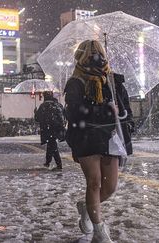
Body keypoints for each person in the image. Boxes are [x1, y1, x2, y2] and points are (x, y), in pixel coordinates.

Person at [64, 40, 118, 243]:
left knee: (110, 187)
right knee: (94, 183)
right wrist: (103, 109)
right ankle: (99, 232)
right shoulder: (75, 82)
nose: (95, 55)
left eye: (99, 51)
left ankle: (87, 207)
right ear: (81, 56)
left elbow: (123, 109)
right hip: (85, 137)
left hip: (108, 137)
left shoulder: (111, 80)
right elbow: (74, 113)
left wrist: (120, 112)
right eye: (90, 52)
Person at [34, 91, 65, 170]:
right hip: (57, 128)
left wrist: (35, 112)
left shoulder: (44, 106)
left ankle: (59, 164)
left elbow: (37, 119)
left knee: (52, 145)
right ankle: (48, 162)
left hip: (48, 129)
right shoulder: (58, 105)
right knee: (51, 145)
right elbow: (63, 116)